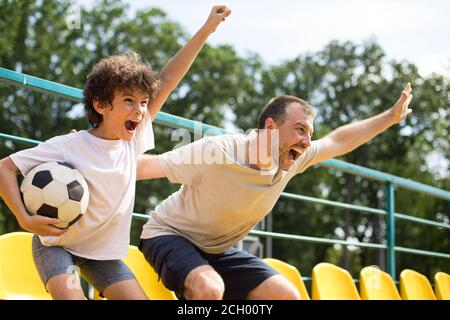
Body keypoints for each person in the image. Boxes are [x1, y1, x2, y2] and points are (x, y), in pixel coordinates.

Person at [0, 5, 231, 300]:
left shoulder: (131, 141)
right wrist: (23, 218)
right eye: (128, 101)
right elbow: (4, 167)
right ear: (100, 104)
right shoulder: (69, 145)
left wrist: (207, 29)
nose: (139, 110)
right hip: (56, 246)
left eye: (144, 102)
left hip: (102, 256)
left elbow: (169, 79)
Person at [136, 83, 413, 300]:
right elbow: (145, 167)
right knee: (209, 289)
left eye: (310, 134)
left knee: (287, 295)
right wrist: (97, 163)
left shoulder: (293, 158)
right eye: (300, 130)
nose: (306, 142)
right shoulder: (218, 150)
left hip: (216, 250)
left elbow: (338, 140)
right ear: (270, 127)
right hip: (168, 235)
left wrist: (391, 117)